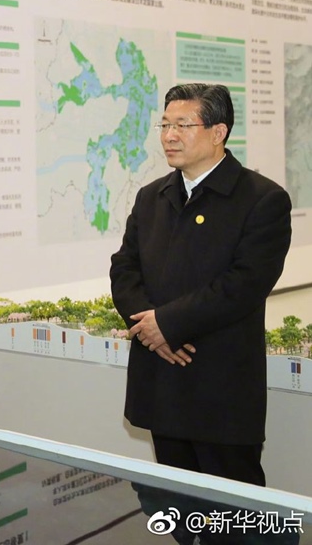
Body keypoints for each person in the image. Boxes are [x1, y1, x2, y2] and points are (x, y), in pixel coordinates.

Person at [110, 83, 292, 487]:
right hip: (161, 382)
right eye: (164, 125)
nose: (169, 136)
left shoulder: (262, 200)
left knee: (235, 510)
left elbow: (244, 285)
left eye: (183, 125)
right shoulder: (151, 197)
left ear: (218, 132)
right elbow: (124, 268)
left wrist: (168, 325)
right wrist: (151, 329)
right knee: (176, 502)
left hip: (220, 389)